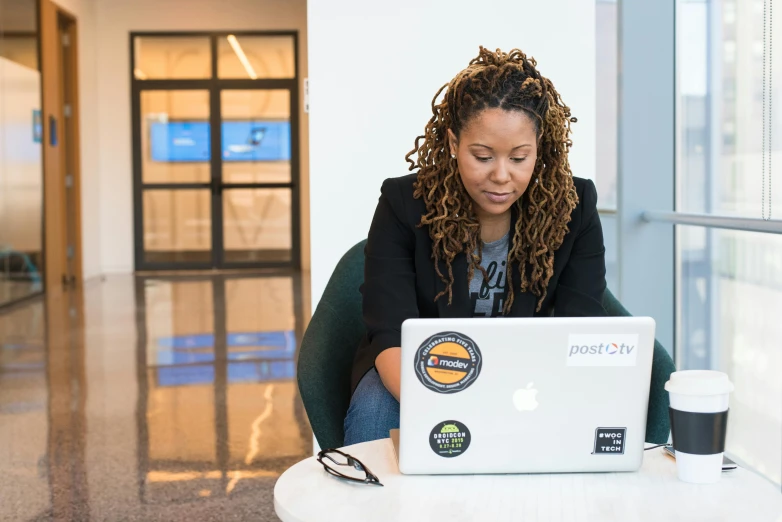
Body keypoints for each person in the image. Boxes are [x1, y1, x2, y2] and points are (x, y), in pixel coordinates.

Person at [344, 47, 607, 445]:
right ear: (453, 142)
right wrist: (458, 408)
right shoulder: (403, 203)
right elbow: (390, 333)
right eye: (482, 156)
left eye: (520, 158)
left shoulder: (573, 207)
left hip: (527, 377)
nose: (501, 176)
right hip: (420, 372)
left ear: (540, 147)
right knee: (374, 412)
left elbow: (580, 330)